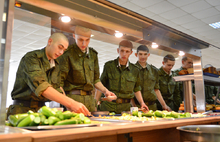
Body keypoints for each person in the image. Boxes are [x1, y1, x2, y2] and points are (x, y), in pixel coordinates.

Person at [7, 33, 91, 117]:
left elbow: (58, 88)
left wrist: (68, 106)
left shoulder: (56, 65)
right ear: (50, 42)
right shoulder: (32, 58)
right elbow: (43, 88)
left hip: (42, 110)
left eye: (64, 50)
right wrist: (72, 103)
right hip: (21, 110)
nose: (61, 52)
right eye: (60, 47)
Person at [58, 26, 116, 112]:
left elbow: (96, 80)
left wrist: (106, 91)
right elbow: (59, 83)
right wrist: (67, 103)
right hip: (73, 99)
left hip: (90, 100)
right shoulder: (67, 54)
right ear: (74, 36)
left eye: (87, 40)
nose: (84, 44)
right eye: (81, 39)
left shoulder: (93, 54)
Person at [95, 40, 149, 114]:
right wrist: (95, 103)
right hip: (108, 107)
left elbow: (137, 89)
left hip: (125, 108)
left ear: (131, 53)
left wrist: (142, 103)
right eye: (122, 51)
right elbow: (100, 85)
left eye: (127, 51)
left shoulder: (135, 70)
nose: (124, 54)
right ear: (118, 50)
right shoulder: (109, 66)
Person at [131, 45, 171, 111]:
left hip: (152, 107)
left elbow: (156, 90)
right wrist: (134, 107)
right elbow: (130, 91)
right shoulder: (131, 70)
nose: (143, 57)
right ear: (136, 54)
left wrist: (164, 105)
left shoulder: (154, 70)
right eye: (140, 54)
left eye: (145, 54)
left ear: (148, 55)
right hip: (137, 106)